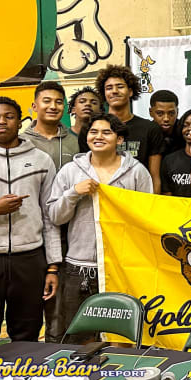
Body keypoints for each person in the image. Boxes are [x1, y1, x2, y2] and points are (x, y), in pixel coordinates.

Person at [47, 113, 153, 343]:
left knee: (121, 338)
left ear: (120, 139)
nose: (99, 137)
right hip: (80, 267)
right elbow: (55, 216)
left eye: (106, 132)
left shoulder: (137, 172)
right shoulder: (70, 171)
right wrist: (74, 192)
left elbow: (147, 218)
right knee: (78, 338)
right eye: (94, 132)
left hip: (123, 266)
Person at [0, 97, 61, 351]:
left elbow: (50, 216)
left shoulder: (41, 160)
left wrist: (52, 267)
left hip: (29, 259)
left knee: (26, 334)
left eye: (9, 116)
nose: (2, 122)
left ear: (21, 121)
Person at [21, 81, 78, 343]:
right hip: (30, 232)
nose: (53, 106)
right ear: (34, 106)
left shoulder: (77, 142)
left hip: (69, 232)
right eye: (46, 101)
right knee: (30, 304)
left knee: (60, 305)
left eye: (58, 102)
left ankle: (56, 354)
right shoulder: (20, 142)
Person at [95, 65, 164, 193]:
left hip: (139, 199)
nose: (114, 91)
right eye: (109, 88)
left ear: (131, 92)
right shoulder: (92, 130)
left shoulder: (150, 129)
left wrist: (152, 208)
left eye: (120, 86)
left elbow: (155, 177)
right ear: (104, 94)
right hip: (103, 200)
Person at [150, 90, 185, 156]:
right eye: (160, 113)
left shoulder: (185, 131)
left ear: (177, 112)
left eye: (171, 113)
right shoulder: (146, 132)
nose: (166, 119)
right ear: (151, 112)